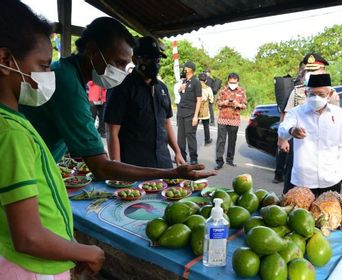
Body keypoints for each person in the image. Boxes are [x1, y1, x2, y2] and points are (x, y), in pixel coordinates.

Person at [20, 17, 214, 181]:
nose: (121, 72)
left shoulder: (66, 72)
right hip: (24, 172)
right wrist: (172, 173)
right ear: (92, 50)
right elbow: (102, 167)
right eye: (119, 63)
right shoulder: (68, 85)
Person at [0, 1, 104, 278]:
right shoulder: (11, 133)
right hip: (31, 269)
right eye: (44, 66)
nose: (49, 76)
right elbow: (28, 237)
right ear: (5, 59)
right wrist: (85, 251)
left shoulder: (12, 122)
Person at [104, 36, 185, 168]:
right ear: (135, 59)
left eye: (156, 59)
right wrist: (117, 168)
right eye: (148, 59)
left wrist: (177, 151)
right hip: (134, 165)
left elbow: (166, 122)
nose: (154, 63)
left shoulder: (162, 88)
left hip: (163, 162)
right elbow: (112, 132)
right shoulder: (121, 88)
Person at [278, 52, 340, 193]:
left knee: (323, 190)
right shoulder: (298, 91)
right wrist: (282, 139)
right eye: (308, 70)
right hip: (299, 143)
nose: (310, 74)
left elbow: (335, 122)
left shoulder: (331, 94)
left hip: (322, 147)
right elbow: (286, 115)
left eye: (314, 71)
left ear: (323, 71)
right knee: (293, 186)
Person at [215, 73, 247, 170]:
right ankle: (219, 161)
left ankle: (230, 159)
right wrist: (224, 102)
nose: (232, 84)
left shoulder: (241, 91)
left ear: (238, 81)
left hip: (234, 119)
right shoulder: (223, 89)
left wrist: (238, 104)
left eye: (234, 82)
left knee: (232, 140)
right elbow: (217, 102)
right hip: (223, 118)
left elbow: (245, 105)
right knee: (221, 140)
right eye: (230, 82)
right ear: (228, 81)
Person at [177, 61, 202, 164]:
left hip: (190, 114)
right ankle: (182, 157)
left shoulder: (196, 82)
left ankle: (193, 158)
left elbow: (199, 99)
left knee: (190, 137)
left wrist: (196, 116)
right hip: (181, 113)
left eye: (185, 68)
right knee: (180, 138)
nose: (183, 69)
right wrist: (180, 89)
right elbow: (182, 95)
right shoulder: (184, 81)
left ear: (190, 69)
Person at [198, 72, 214, 145]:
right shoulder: (208, 88)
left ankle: (191, 140)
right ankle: (207, 140)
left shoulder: (194, 87)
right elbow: (211, 99)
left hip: (196, 109)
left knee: (194, 126)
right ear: (206, 80)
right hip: (204, 109)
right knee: (206, 125)